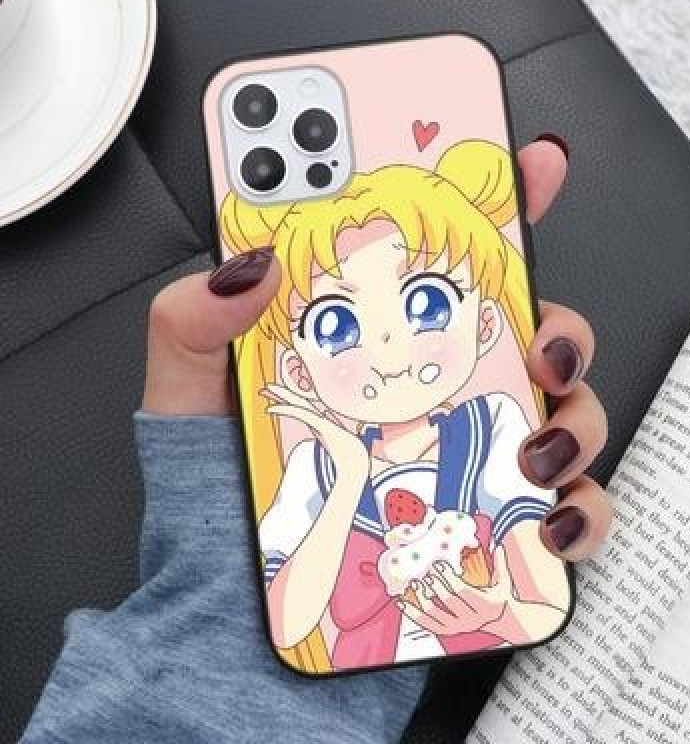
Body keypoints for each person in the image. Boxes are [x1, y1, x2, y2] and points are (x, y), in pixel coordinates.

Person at [21, 137, 611, 743]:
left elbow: (539, 601)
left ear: (486, 323)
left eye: (427, 303)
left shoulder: (494, 428)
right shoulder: (315, 469)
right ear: (299, 371)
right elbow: (293, 620)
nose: (389, 353)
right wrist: (349, 477)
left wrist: (496, 611)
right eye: (336, 324)